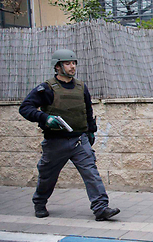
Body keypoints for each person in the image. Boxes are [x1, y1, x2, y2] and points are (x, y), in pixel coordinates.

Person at [19, 49, 120, 221]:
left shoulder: (81, 87)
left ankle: (101, 208)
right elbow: (25, 108)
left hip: (79, 141)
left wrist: (91, 131)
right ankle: (40, 202)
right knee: (48, 176)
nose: (72, 66)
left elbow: (87, 110)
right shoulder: (46, 88)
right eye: (67, 63)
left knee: (91, 173)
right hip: (55, 142)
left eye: (73, 63)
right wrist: (45, 118)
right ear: (57, 67)